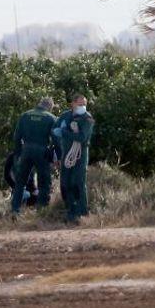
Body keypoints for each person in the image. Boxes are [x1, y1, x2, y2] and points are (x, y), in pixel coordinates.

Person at [11, 97, 57, 215]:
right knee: (44, 182)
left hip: (26, 150)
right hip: (42, 151)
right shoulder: (51, 118)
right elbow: (56, 139)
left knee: (20, 183)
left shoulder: (25, 115)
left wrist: (18, 154)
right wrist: (55, 154)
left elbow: (17, 137)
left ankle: (15, 210)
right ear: (50, 107)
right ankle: (41, 210)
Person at [54, 94, 94, 224]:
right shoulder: (65, 116)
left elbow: (82, 137)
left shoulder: (87, 119)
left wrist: (65, 132)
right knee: (65, 182)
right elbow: (55, 128)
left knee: (78, 181)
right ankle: (70, 210)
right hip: (66, 152)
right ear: (73, 104)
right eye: (80, 104)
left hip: (80, 154)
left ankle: (82, 211)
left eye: (84, 104)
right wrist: (58, 134)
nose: (82, 106)